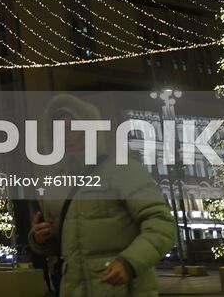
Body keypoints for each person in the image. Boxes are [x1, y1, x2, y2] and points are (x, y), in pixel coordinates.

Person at [28, 94, 176, 297]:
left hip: (123, 291)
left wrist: (129, 262)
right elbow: (65, 245)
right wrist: (41, 239)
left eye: (72, 128)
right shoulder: (57, 184)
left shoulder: (122, 170)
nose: (66, 136)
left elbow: (162, 225)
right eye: (59, 130)